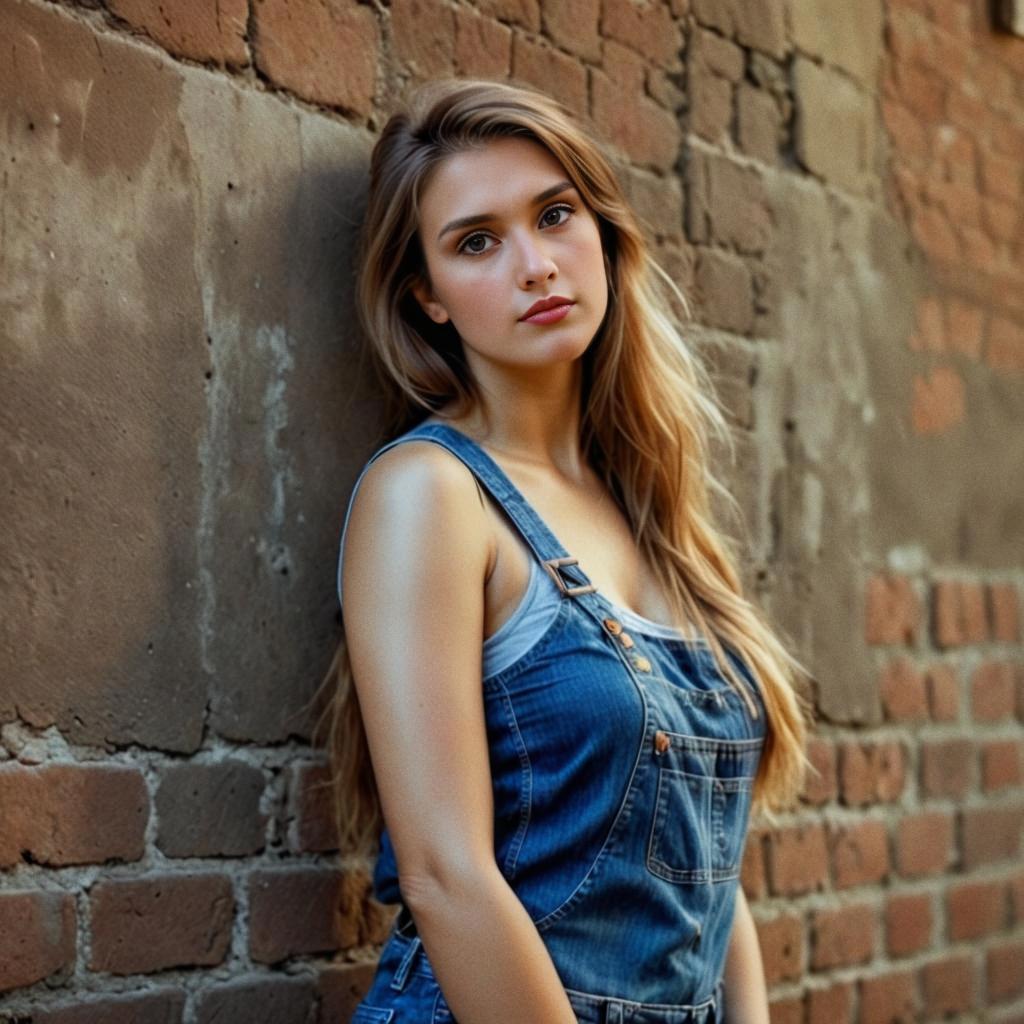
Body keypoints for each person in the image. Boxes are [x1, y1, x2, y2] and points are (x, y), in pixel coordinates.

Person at [321, 77, 810, 1024]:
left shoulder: (653, 509)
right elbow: (445, 875)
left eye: (555, 215)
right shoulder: (430, 494)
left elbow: (711, 870)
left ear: (603, 232)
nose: (536, 265)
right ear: (426, 295)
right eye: (477, 241)